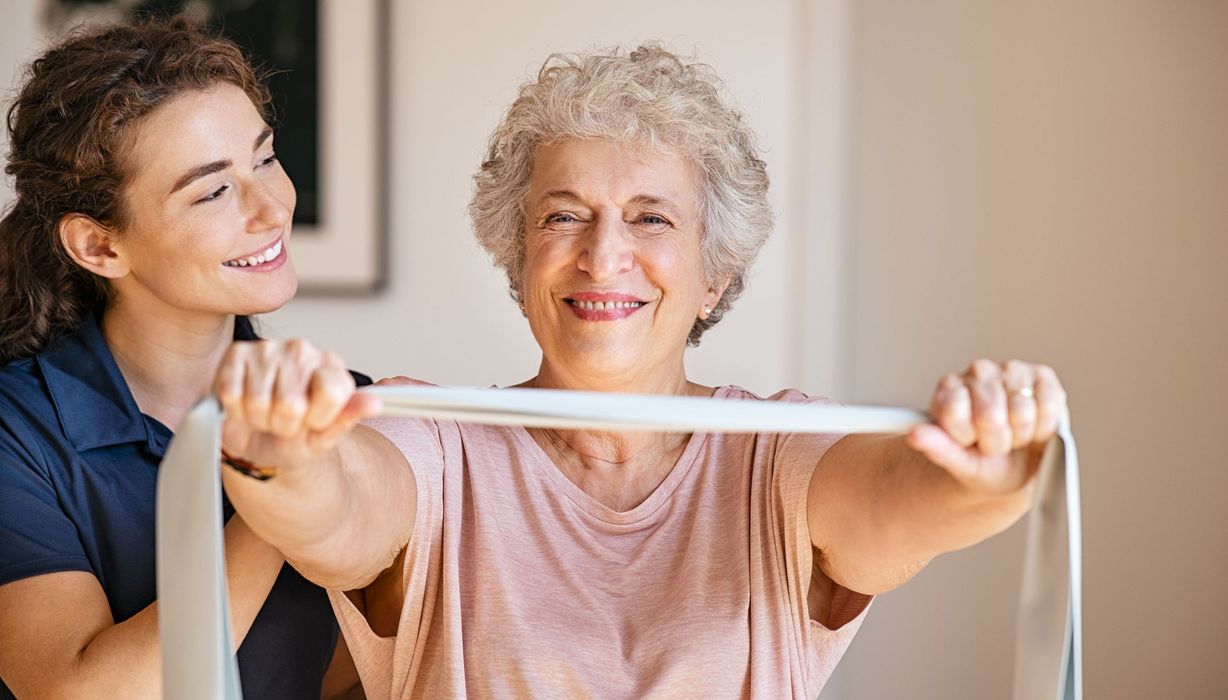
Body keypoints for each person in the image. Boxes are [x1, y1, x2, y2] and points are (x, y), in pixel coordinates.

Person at [216, 45, 1069, 699]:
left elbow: (902, 503)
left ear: (714, 276)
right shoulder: (428, 437)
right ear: (518, 259)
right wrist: (279, 453)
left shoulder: (783, 455)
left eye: (651, 218)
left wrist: (986, 472)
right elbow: (336, 513)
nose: (603, 255)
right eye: (564, 216)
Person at [0, 17, 362, 698]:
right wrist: (285, 487)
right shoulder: (17, 433)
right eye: (213, 190)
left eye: (265, 158)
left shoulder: (343, 410)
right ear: (99, 247)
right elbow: (77, 691)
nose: (270, 209)